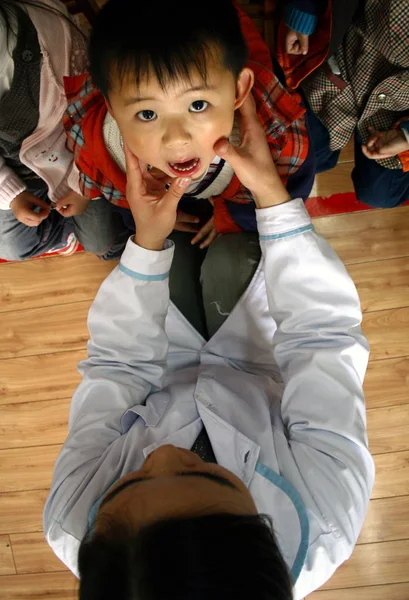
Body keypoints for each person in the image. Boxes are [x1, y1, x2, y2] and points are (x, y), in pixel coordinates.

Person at [44, 95, 375, 600]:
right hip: (259, 362)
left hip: (158, 371)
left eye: (128, 484)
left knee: (170, 253)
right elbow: (322, 339)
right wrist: (272, 197)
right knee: (228, 256)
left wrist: (146, 245)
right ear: (268, 530)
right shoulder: (328, 515)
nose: (165, 456)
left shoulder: (68, 519)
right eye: (213, 476)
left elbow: (115, 368)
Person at [63, 0, 315, 246]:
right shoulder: (98, 145)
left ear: (238, 92)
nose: (176, 139)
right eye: (148, 114)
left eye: (198, 105)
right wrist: (150, 222)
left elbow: (293, 188)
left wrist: (233, 217)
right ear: (112, 108)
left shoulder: (277, 136)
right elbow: (110, 190)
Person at [0, 0, 126, 261]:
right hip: (17, 171)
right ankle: (68, 233)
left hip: (77, 159)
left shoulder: (54, 44)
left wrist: (79, 183)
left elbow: (97, 121)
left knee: (102, 246)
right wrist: (11, 193)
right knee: (13, 248)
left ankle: (78, 228)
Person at [277, 0, 409, 208]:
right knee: (311, 159)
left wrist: (407, 135)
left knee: (381, 195)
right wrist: (305, 9)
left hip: (399, 107)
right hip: (351, 57)